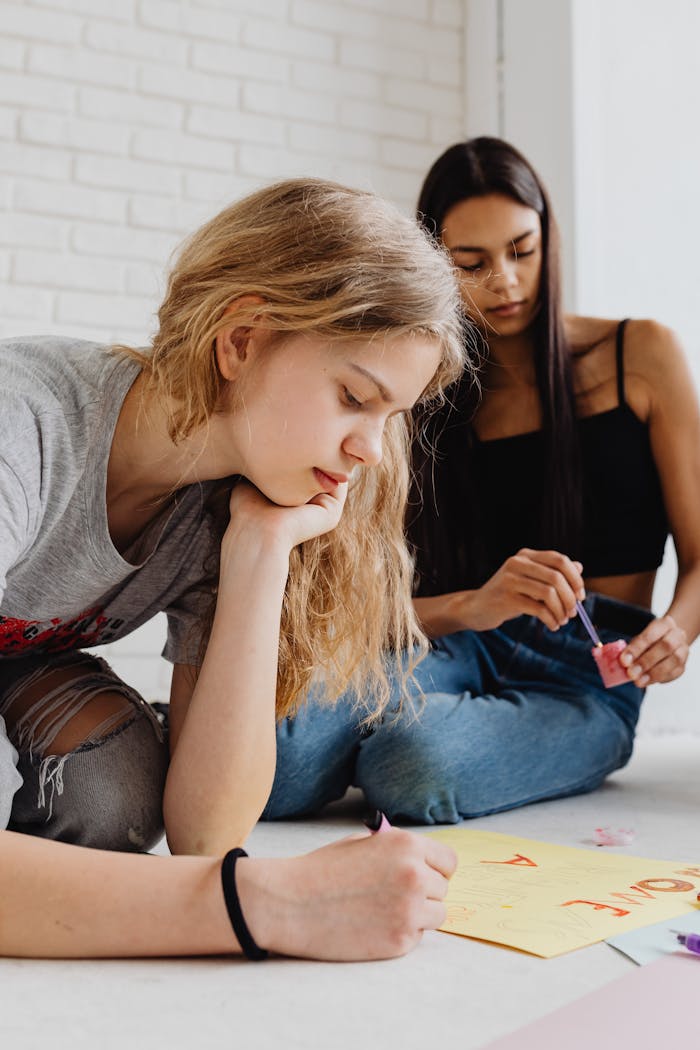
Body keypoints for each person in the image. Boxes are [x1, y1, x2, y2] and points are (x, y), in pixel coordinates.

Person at [0, 177, 465, 960]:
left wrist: (259, 553)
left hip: (21, 654)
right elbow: (219, 875)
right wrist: (267, 905)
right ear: (241, 339)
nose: (371, 451)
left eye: (391, 417)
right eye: (354, 396)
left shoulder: (230, 501)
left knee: (115, 795)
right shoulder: (25, 425)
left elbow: (207, 834)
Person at [263, 137, 700, 826]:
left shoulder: (639, 355)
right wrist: (476, 606)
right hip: (455, 640)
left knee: (411, 764)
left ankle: (406, 732)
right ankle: (405, 726)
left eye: (522, 251)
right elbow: (380, 603)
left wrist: (676, 631)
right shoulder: (421, 396)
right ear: (436, 266)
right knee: (277, 759)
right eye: (471, 263)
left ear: (550, 239)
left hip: (585, 678)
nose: (504, 280)